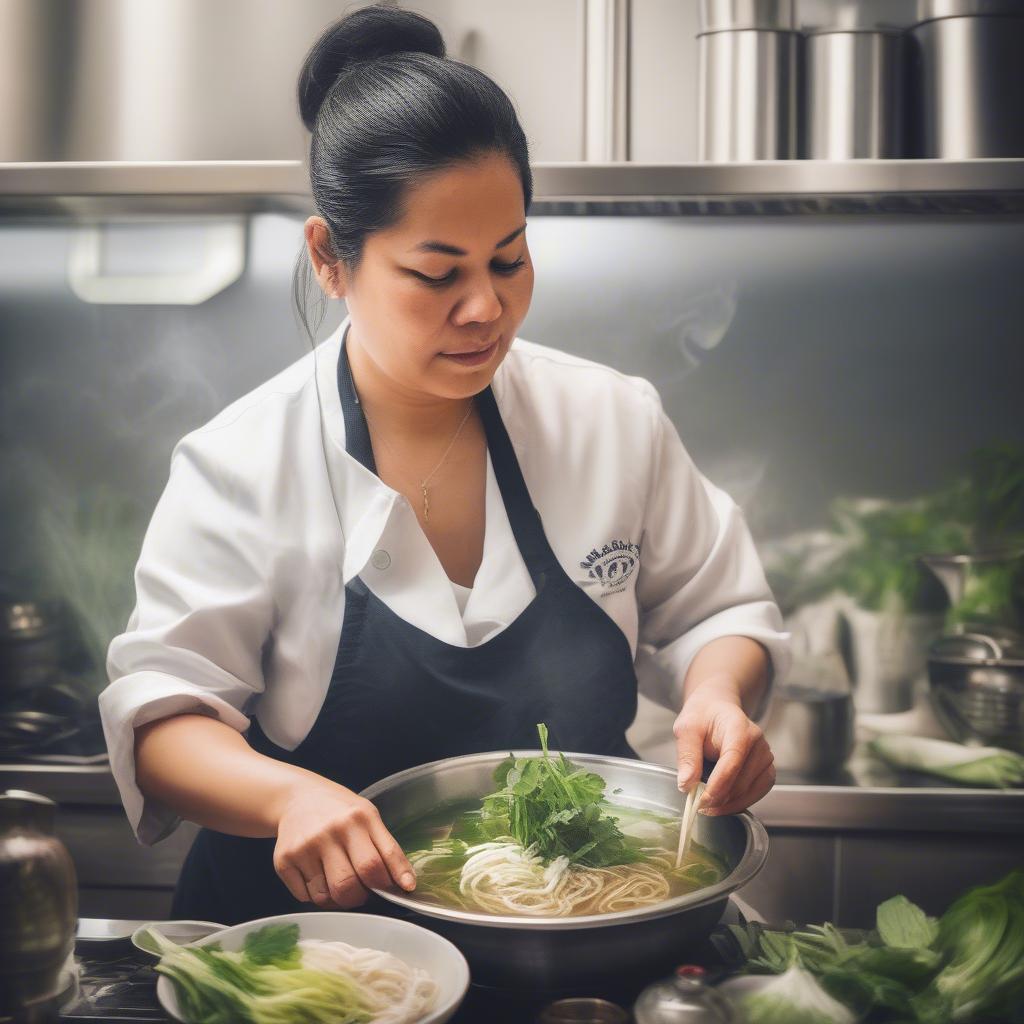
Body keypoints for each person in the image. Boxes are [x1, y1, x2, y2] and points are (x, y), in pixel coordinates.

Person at [99, 5, 790, 926]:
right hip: (324, 951)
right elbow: (163, 719)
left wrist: (717, 694)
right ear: (330, 260)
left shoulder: (606, 419)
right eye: (437, 274)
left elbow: (719, 610)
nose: (485, 309)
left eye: (510, 260)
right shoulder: (243, 461)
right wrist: (288, 797)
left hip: (580, 935)